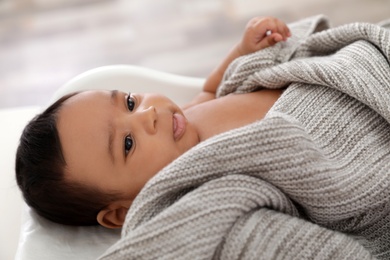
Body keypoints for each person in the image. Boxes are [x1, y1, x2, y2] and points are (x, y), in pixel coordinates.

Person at [15, 16, 291, 228]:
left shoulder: (186, 116)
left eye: (130, 103)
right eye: (127, 143)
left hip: (304, 86)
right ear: (122, 212)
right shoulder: (198, 196)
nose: (148, 115)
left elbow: (211, 89)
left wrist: (243, 50)